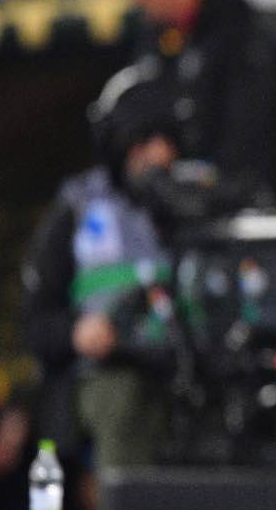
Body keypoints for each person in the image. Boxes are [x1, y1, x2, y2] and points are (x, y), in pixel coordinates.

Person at [23, 78, 181, 474]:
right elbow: (35, 324)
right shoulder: (78, 209)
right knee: (121, 400)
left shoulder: (189, 208)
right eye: (145, 140)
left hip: (181, 378)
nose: (159, 153)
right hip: (111, 379)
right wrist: (76, 334)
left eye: (166, 139)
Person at [124, 0, 276, 198]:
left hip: (234, 208)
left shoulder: (236, 29)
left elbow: (242, 143)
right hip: (168, 205)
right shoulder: (150, 39)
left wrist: (178, 162)